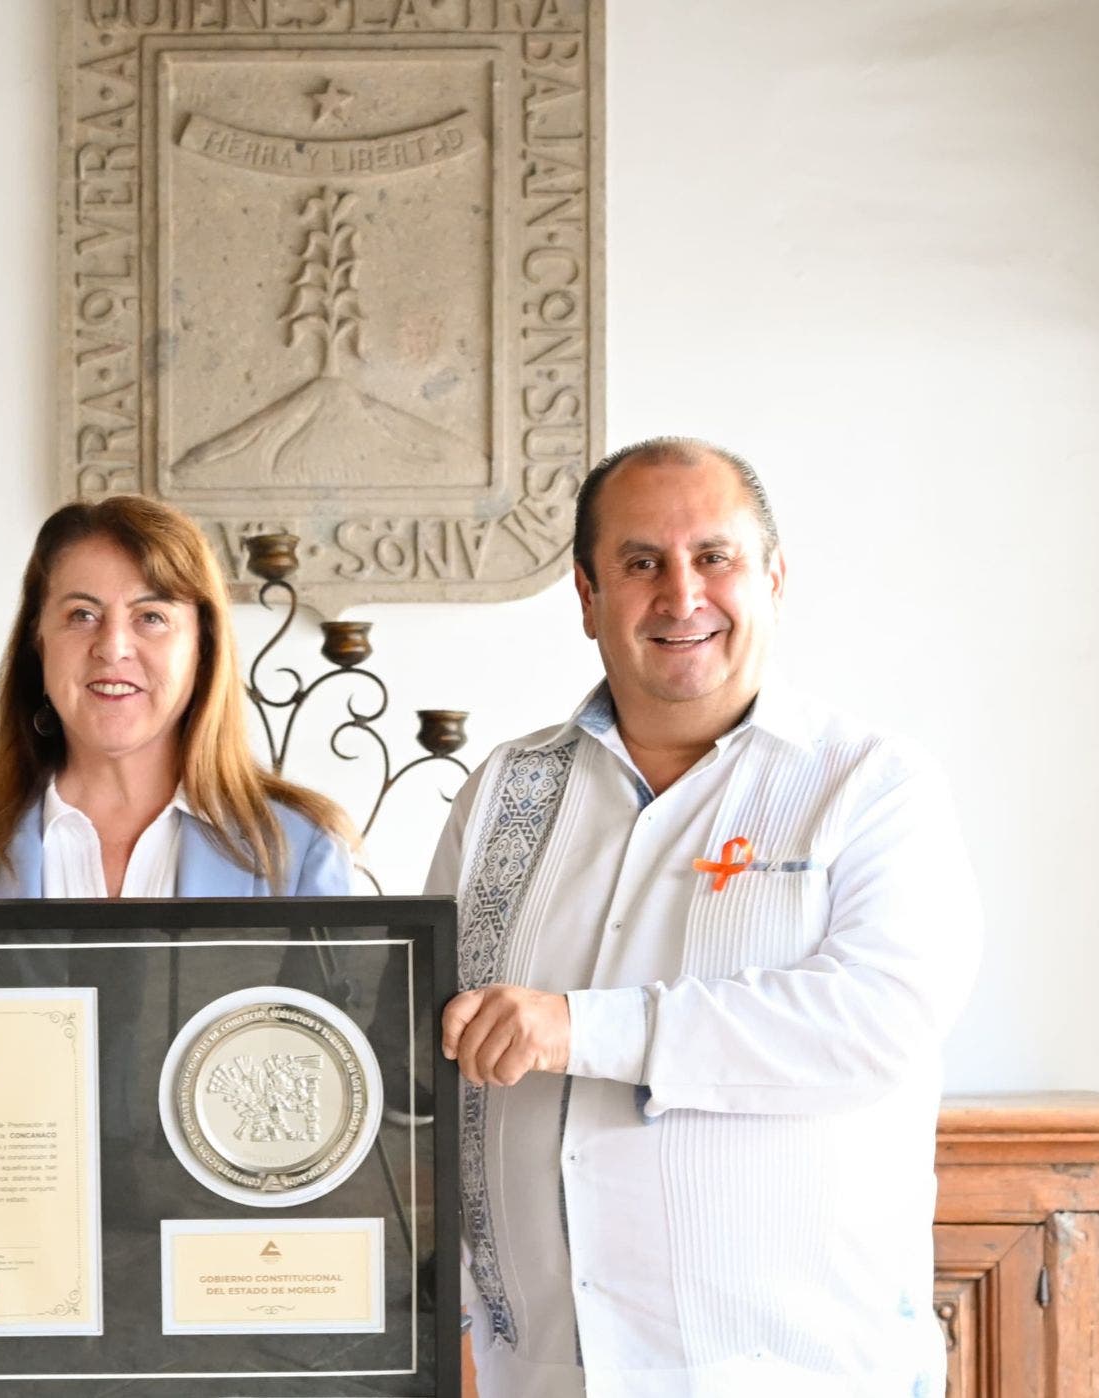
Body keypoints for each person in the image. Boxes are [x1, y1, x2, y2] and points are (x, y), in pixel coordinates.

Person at [429, 439, 981, 1396]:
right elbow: (432, 1031)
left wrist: (579, 1027)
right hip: (548, 1374)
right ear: (588, 596)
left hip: (793, 1375)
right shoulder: (505, 790)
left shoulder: (870, 784)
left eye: (714, 557)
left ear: (773, 578)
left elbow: (875, 1023)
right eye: (641, 563)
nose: (681, 595)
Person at [0, 494, 351, 900]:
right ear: (38, 642)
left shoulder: (302, 847)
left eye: (151, 617)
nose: (112, 647)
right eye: (82, 614)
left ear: (203, 648)